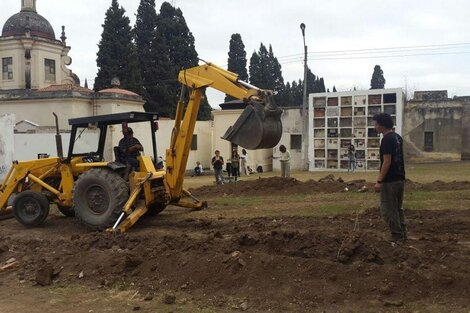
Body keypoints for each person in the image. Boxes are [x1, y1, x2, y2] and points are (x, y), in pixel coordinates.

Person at [373, 113, 407, 243]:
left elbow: (387, 162)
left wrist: (379, 181)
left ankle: (396, 237)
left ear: (381, 125)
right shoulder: (397, 137)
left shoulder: (386, 140)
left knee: (388, 210)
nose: (375, 127)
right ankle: (403, 234)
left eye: (376, 124)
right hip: (400, 178)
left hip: (390, 181)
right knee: (398, 208)